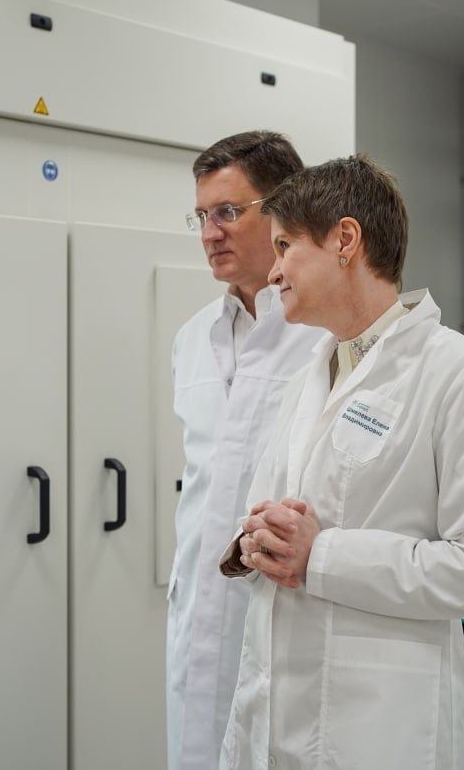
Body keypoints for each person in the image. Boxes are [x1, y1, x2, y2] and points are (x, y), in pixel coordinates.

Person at [218, 155, 464, 770]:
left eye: (285, 246)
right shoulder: (309, 375)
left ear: (345, 240)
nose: (273, 271)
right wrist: (254, 540)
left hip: (378, 725)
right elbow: (279, 511)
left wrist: (321, 555)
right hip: (273, 711)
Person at [167, 131, 325, 770]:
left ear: (284, 210)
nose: (211, 233)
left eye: (229, 211)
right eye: (202, 216)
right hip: (200, 603)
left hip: (290, 602)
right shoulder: (192, 339)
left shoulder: (326, 337)